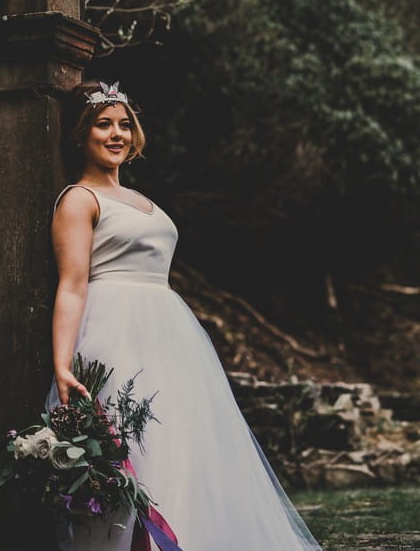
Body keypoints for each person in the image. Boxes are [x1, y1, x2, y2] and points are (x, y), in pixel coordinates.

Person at [44, 79, 323, 550]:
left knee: (180, 451)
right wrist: (62, 364)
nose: (117, 134)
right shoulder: (79, 199)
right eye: (102, 124)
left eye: (124, 125)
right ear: (80, 134)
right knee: (131, 453)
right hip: (116, 331)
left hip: (169, 334)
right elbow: (72, 285)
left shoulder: (138, 198)